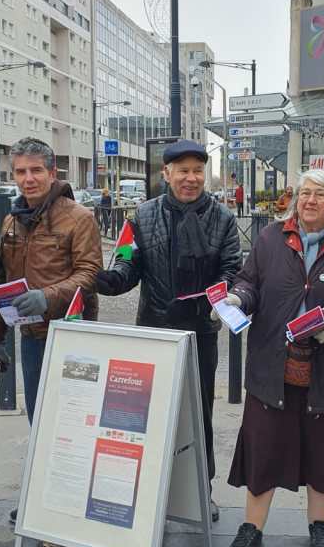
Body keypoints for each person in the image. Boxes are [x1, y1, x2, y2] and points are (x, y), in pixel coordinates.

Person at [218, 169, 324, 547]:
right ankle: (251, 527)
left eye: (320, 195)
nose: (310, 201)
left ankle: (320, 526)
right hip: (273, 368)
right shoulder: (272, 238)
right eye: (305, 193)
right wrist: (237, 298)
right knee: (264, 452)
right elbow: (250, 281)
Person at [95, 140, 240, 522]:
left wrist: (211, 300)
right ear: (167, 173)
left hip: (199, 333)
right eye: (183, 171)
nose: (191, 178)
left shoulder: (223, 219)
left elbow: (232, 270)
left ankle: (201, 491)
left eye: (197, 171)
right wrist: (110, 279)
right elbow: (127, 262)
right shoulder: (142, 216)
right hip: (154, 332)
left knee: (199, 415)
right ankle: (148, 493)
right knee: (149, 417)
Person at [0, 139, 102, 523]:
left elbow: (90, 275)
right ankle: (46, 500)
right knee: (40, 422)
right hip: (32, 340)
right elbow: (4, 284)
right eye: (20, 172)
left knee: (72, 426)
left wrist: (46, 297)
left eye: (36, 170)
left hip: (73, 339)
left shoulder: (79, 218)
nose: (28, 179)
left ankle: (72, 505)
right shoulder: (11, 221)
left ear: (53, 173)